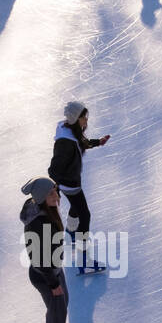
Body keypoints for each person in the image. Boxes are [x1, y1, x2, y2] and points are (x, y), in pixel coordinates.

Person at [21, 177, 79, 323]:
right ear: (41, 198)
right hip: (44, 275)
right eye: (51, 193)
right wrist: (53, 284)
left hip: (53, 268)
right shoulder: (38, 223)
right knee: (57, 309)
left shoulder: (46, 210)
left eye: (55, 190)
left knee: (62, 304)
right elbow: (39, 258)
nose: (56, 195)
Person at [48, 101, 111, 273]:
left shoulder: (71, 131)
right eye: (84, 117)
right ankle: (84, 260)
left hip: (72, 180)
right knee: (85, 214)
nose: (87, 120)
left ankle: (70, 229)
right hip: (69, 183)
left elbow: (81, 142)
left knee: (77, 207)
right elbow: (53, 169)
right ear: (76, 118)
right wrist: (56, 189)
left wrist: (98, 142)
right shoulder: (64, 142)